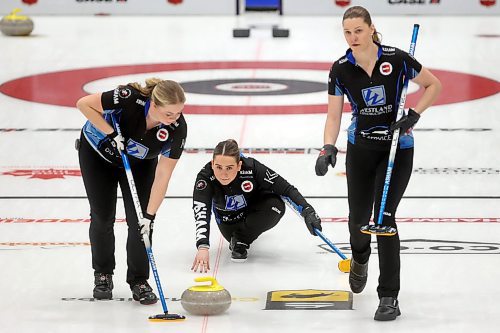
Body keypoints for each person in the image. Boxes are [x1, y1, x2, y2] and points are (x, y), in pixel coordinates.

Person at [315, 6, 441, 321]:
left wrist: (414, 114)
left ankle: (389, 297)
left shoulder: (397, 60)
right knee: (358, 220)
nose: (353, 37)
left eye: (359, 30)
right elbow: (333, 115)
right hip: (361, 149)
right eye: (347, 32)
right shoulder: (340, 69)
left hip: (398, 150)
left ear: (372, 29)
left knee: (384, 220)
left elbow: (433, 85)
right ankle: (360, 257)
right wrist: (327, 147)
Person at [76, 78, 187, 305]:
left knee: (141, 222)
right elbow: (83, 104)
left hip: (139, 164)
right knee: (103, 216)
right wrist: (110, 133)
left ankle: (138, 280)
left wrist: (150, 215)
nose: (174, 120)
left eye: (178, 113)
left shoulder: (177, 130)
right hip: (98, 153)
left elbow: (163, 175)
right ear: (153, 105)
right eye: (169, 114)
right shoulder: (129, 98)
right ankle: (103, 273)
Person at [190, 139, 322, 271]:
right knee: (230, 231)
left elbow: (285, 189)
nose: (223, 174)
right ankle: (237, 238)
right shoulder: (205, 178)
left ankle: (242, 239)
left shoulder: (252, 167)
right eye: (218, 167)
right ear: (212, 164)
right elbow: (201, 212)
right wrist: (202, 247)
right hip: (228, 222)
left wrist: (307, 211)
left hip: (254, 210)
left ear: (239, 165)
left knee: (275, 206)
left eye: (229, 168)